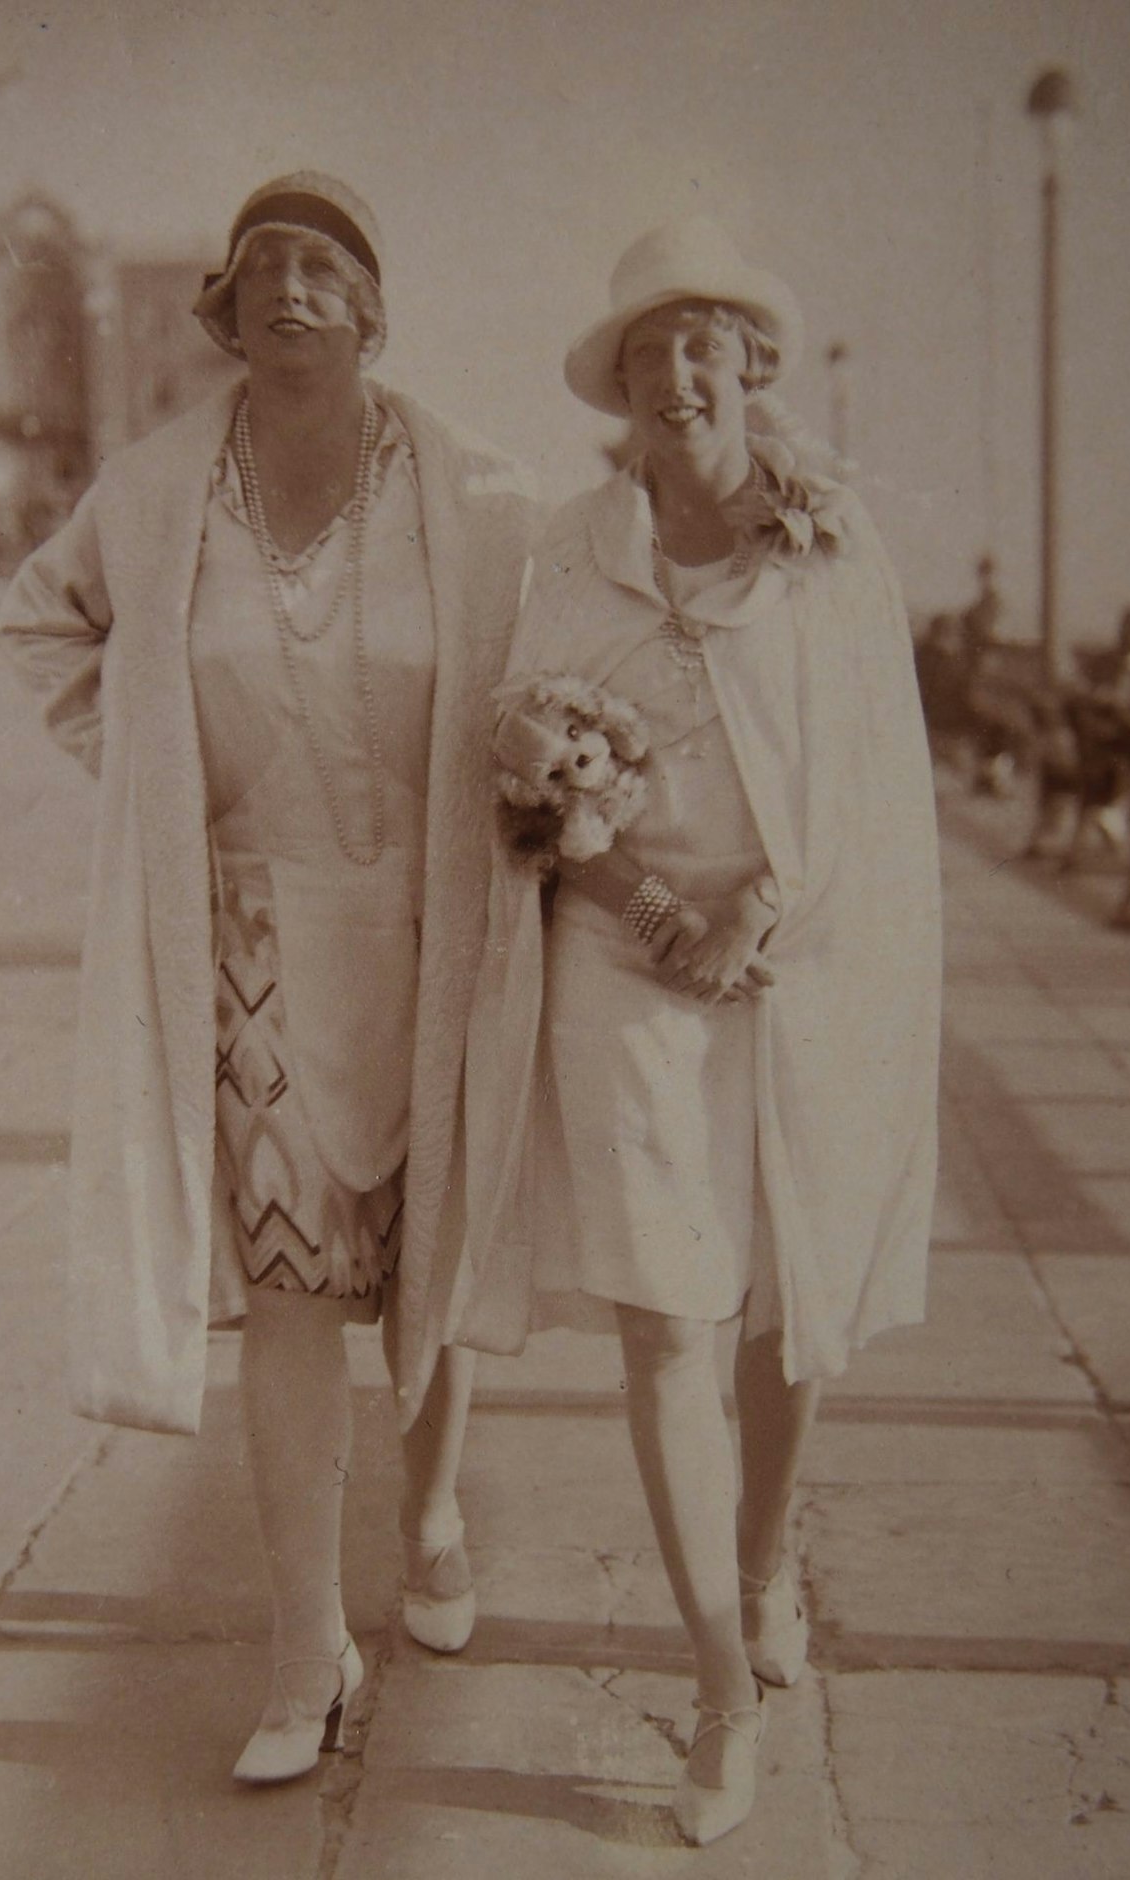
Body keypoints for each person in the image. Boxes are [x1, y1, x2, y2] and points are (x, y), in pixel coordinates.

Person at [0, 172, 536, 1785]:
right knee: (294, 1294)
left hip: (438, 922)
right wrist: (145, 772)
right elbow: (43, 626)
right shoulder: (156, 488)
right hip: (247, 933)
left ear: (375, 310)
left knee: (431, 1267)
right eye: (265, 268)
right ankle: (309, 1641)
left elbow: (553, 663)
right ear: (225, 314)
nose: (293, 287)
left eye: (329, 265)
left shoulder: (483, 491)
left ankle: (433, 1511)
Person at [456, 218, 942, 1845]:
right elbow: (521, 749)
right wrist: (604, 860)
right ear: (622, 381)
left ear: (750, 365)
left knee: (786, 1304)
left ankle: (763, 1552)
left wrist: (765, 909)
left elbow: (878, 768)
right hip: (621, 965)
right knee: (669, 1318)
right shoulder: (577, 548)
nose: (680, 374)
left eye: (706, 345)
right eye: (651, 349)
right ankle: (721, 1687)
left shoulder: (830, 545)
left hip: (798, 962)